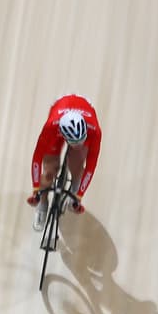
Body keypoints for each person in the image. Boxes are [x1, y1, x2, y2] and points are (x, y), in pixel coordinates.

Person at [27, 94, 101, 227]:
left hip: (86, 113)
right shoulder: (50, 127)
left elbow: (91, 165)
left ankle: (75, 184)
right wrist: (36, 191)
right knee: (49, 170)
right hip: (59, 109)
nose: (78, 144)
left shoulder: (94, 131)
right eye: (74, 142)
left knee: (78, 160)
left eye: (80, 140)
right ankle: (43, 204)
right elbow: (36, 159)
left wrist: (78, 196)